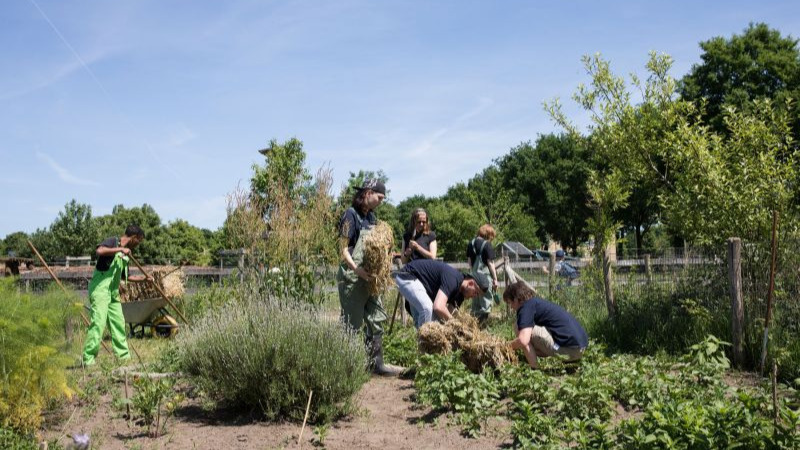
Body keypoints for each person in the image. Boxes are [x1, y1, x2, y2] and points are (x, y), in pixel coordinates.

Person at [337, 178, 403, 376]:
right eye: (379, 197)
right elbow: (343, 249)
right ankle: (346, 369)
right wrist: (357, 269)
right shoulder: (350, 215)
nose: (381, 202)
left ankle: (376, 364)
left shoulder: (372, 218)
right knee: (352, 323)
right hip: (353, 277)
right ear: (368, 193)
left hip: (370, 279)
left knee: (376, 317)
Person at [82, 225, 149, 366]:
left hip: (113, 293)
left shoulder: (125, 254)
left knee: (118, 323)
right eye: (139, 240)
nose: (139, 244)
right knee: (98, 323)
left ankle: (123, 357)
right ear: (134, 237)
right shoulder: (113, 241)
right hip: (100, 289)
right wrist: (120, 249)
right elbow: (100, 250)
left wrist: (144, 279)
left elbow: (127, 277)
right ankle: (88, 359)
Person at [503, 281, 588, 369]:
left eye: (510, 302)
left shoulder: (526, 307)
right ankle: (571, 362)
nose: (511, 307)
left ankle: (534, 369)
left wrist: (505, 346)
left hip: (569, 350)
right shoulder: (537, 303)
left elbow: (523, 340)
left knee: (518, 327)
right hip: (581, 348)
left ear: (516, 299)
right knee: (527, 333)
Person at [392, 258, 490, 329]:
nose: (475, 296)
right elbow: (438, 307)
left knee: (435, 322)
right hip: (408, 276)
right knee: (427, 309)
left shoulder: (460, 295)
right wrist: (457, 325)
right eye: (476, 292)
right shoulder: (453, 279)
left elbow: (446, 315)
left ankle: (422, 348)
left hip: (420, 287)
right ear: (471, 283)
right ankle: (424, 347)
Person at [466, 224, 499, 325]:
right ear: (488, 234)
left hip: (474, 278)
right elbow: (490, 263)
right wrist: (495, 279)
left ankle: (473, 326)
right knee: (486, 304)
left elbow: (469, 263)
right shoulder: (487, 245)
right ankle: (482, 326)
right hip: (485, 279)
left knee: (475, 305)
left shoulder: (470, 244)